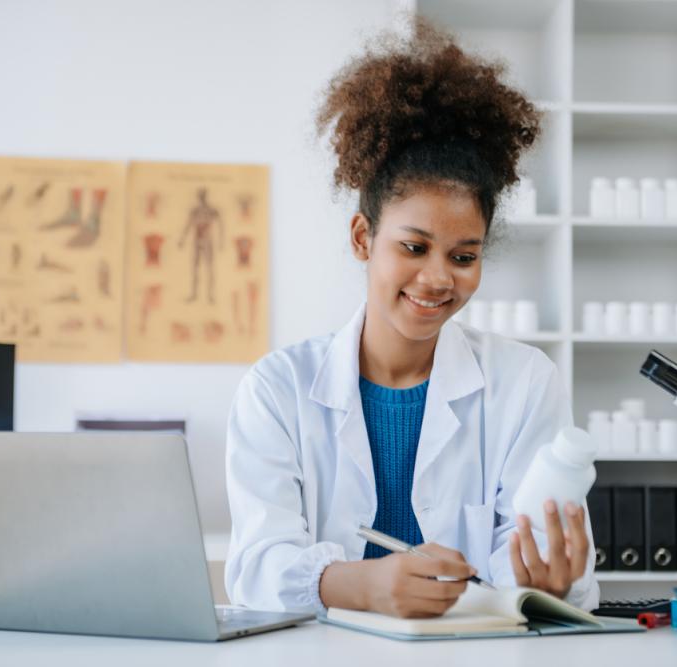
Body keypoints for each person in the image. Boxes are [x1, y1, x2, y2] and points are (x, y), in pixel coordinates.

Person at [225, 22, 599, 619]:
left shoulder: (525, 382)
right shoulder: (277, 389)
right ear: (362, 237)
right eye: (414, 247)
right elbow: (255, 567)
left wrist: (555, 582)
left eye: (464, 256)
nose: (438, 279)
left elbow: (531, 564)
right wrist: (362, 585)